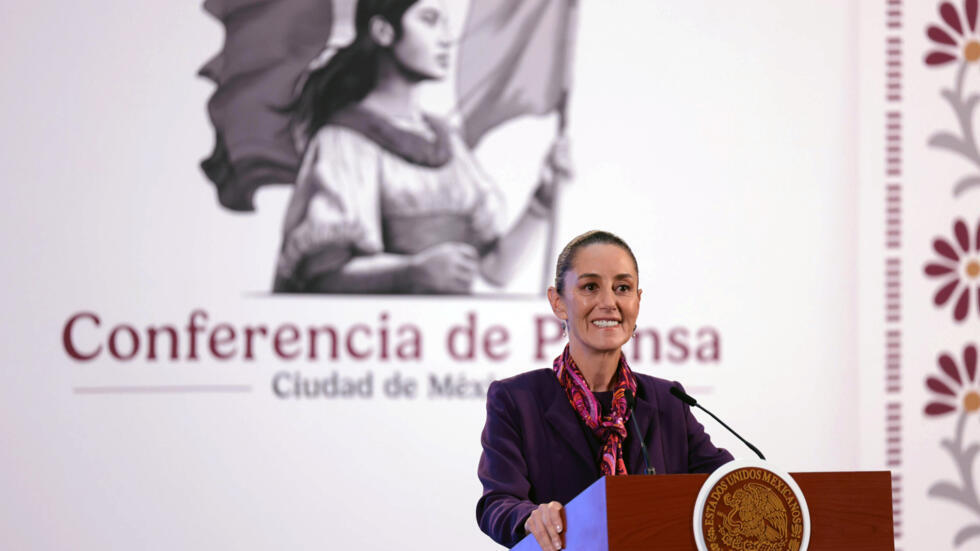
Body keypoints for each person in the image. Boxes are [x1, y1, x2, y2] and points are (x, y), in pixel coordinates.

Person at [273, 0, 569, 293]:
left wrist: (541, 201)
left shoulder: (448, 142)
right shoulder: (344, 141)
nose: (445, 38)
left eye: (445, 23)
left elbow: (496, 271)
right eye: (429, 20)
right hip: (379, 333)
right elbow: (324, 276)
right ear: (383, 31)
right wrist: (411, 272)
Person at [476, 230, 734, 549]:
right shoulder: (516, 399)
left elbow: (728, 484)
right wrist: (530, 517)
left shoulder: (668, 401)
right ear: (557, 302)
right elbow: (498, 503)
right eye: (590, 287)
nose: (608, 302)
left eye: (622, 288)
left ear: (637, 301)